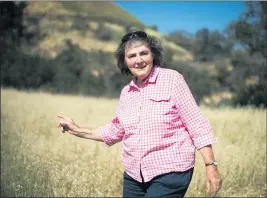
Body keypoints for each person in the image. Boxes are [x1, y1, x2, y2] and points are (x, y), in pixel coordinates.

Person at [57, 30, 222, 197]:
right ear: (125, 61)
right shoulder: (126, 93)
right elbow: (116, 130)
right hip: (134, 175)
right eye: (132, 56)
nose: (139, 60)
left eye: (144, 53)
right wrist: (76, 129)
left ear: (153, 55)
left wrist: (211, 165)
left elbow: (196, 124)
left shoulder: (172, 80)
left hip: (170, 172)